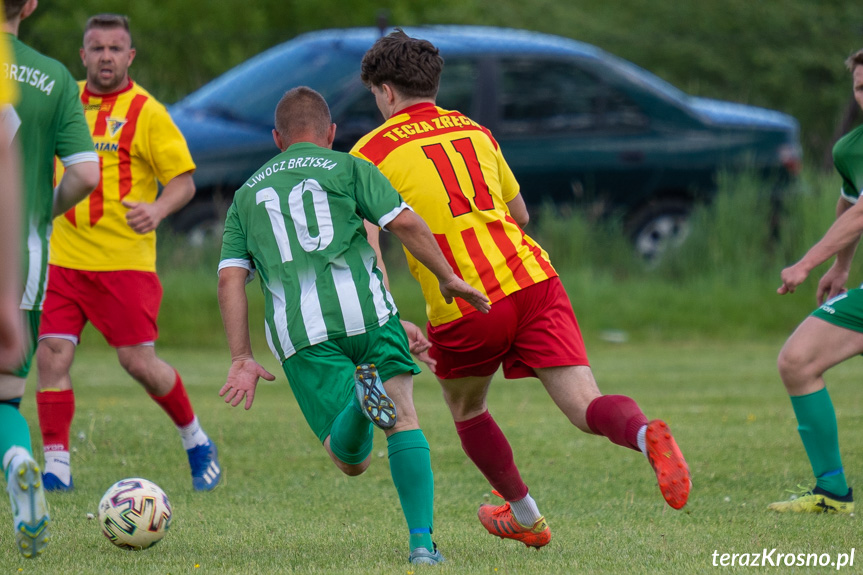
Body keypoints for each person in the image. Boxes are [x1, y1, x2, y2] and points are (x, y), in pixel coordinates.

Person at [351, 29, 692, 548]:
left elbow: (371, 242)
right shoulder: (474, 130)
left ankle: (527, 516)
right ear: (433, 85)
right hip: (534, 278)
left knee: (466, 409)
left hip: (464, 298)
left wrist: (392, 312)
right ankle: (646, 435)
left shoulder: (369, 152)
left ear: (386, 93)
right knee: (585, 405)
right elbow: (520, 214)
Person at [217, 86, 490, 565]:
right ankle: (423, 546)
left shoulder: (245, 195)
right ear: (332, 133)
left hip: (302, 333)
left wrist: (241, 357)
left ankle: (361, 406)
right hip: (369, 314)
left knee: (352, 461)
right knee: (404, 420)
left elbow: (231, 280)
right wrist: (447, 277)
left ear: (277, 138)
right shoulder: (351, 167)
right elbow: (403, 224)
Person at [34, 13, 221, 493]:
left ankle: (196, 440)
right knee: (51, 356)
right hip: (62, 258)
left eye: (115, 48)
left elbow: (183, 182)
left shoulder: (147, 112)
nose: (106, 57)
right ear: (83, 55)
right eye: (97, 48)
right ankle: (56, 469)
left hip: (124, 263)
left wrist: (158, 210)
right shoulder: (62, 99)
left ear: (130, 56)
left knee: (138, 363)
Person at [1, 0, 100, 557]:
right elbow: (86, 173)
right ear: (31, 5)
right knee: (4, 398)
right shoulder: (55, 76)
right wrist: (40, 211)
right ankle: (18, 459)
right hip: (22, 257)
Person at [771, 48, 863, 514]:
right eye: (862, 88)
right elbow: (851, 205)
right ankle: (832, 490)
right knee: (798, 359)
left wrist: (806, 263)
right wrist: (841, 267)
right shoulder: (851, 149)